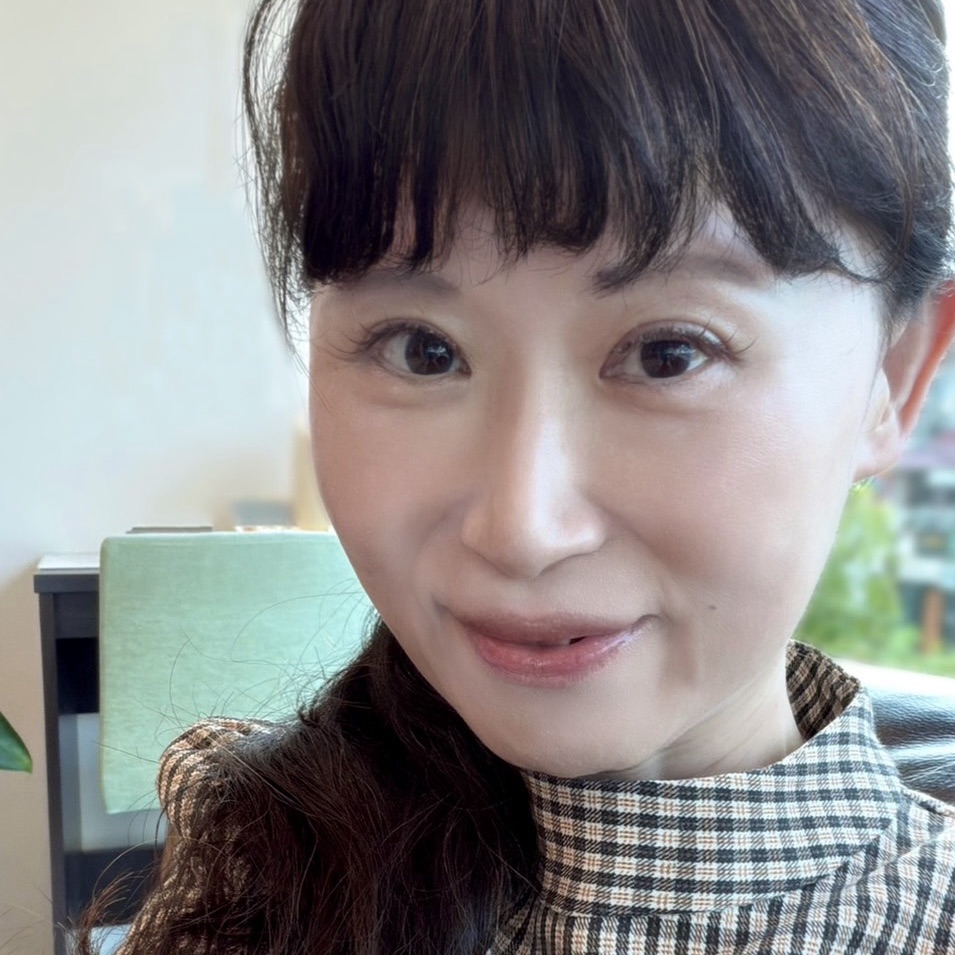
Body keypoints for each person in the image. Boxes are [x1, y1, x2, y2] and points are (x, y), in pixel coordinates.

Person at [81, 0, 955, 952]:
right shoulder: (262, 860)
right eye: (421, 349)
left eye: (667, 353)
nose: (520, 528)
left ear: (892, 377)